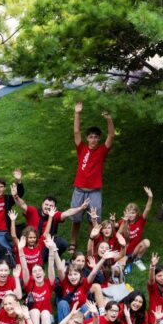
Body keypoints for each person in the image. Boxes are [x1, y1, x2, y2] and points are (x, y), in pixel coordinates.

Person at [67, 101, 114, 246]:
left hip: (94, 192)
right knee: (76, 219)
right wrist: (77, 113)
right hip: (79, 190)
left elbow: (111, 135)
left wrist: (109, 119)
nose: (93, 139)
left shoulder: (102, 151)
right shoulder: (81, 148)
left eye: (96, 137)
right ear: (87, 138)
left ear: (99, 138)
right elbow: (76, 132)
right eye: (91, 137)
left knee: (93, 219)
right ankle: (73, 243)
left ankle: (92, 244)